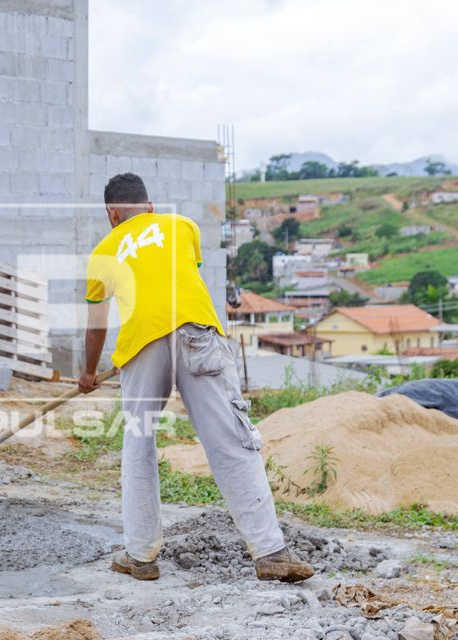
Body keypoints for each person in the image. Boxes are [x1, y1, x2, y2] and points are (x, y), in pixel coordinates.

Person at [77, 172, 313, 583]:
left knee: (138, 444)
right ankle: (272, 553)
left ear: (112, 215)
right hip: (196, 334)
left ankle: (140, 556)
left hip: (140, 344)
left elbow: (96, 326)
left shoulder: (102, 252)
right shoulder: (182, 226)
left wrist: (88, 373)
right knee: (231, 438)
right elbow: (181, 278)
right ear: (150, 207)